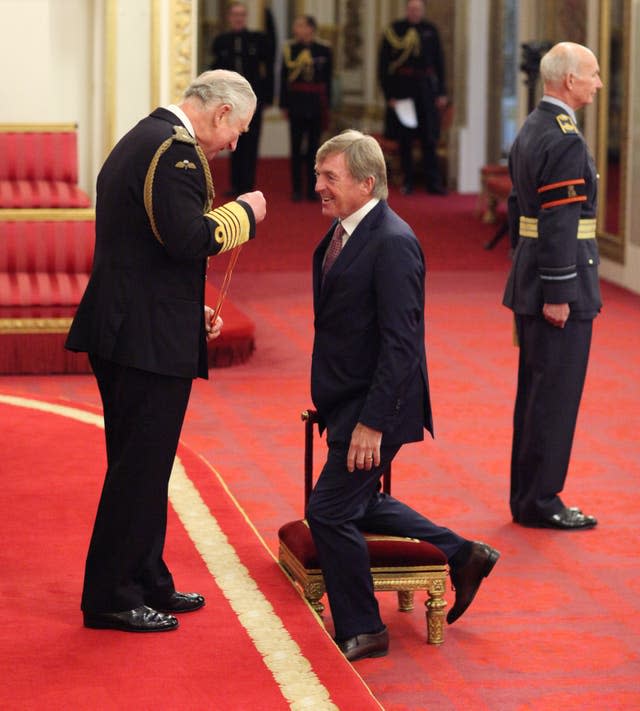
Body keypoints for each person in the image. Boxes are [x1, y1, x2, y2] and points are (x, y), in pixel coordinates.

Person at [65, 70, 267, 632]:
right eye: (239, 130)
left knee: (147, 469)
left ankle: (147, 577)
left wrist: (186, 309)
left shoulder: (147, 137)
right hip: (142, 341)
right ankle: (111, 595)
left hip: (139, 325)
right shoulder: (174, 152)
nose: (234, 144)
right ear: (221, 112)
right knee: (137, 471)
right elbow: (188, 239)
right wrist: (247, 213)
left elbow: (147, 252)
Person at [307, 129, 499, 661]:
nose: (318, 185)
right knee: (361, 501)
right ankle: (464, 555)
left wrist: (372, 423)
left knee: (327, 512)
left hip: (376, 407)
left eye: (330, 177)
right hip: (347, 401)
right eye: (319, 174)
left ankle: (365, 627)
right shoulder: (344, 232)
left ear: (367, 183)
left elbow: (402, 343)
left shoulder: (392, 242)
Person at [503, 42, 603, 530]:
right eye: (593, 75)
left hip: (532, 276)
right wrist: (560, 292)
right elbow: (561, 221)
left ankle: (527, 496)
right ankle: (541, 501)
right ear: (568, 81)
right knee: (555, 396)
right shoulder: (564, 138)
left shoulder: (533, 126)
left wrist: (528, 270)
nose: (598, 84)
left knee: (536, 393)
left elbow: (515, 207)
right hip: (560, 283)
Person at [378, 0, 448, 195]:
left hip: (426, 91)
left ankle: (433, 183)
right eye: (411, 8)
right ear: (406, 10)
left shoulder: (430, 30)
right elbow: (383, 66)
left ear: (423, 10)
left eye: (418, 9)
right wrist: (389, 95)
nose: (414, 12)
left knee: (429, 138)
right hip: (403, 91)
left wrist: (441, 92)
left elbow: (439, 63)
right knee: (405, 138)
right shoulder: (394, 31)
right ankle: (407, 181)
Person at [210, 1, 274, 195]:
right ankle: (235, 184)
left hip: (253, 101)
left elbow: (267, 70)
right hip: (228, 102)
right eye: (234, 15)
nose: (238, 19)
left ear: (245, 18)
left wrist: (267, 98)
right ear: (230, 18)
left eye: (241, 15)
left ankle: (247, 184)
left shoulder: (257, 40)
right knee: (231, 141)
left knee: (251, 142)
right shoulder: (221, 41)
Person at [280, 14, 332, 202]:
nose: (297, 30)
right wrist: (284, 104)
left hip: (316, 103)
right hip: (296, 103)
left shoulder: (324, 50)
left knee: (314, 149)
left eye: (301, 26)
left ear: (311, 28)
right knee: (295, 147)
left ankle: (312, 188)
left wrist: (328, 106)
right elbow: (284, 78)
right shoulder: (290, 50)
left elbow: (328, 81)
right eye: (296, 26)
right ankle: (296, 188)